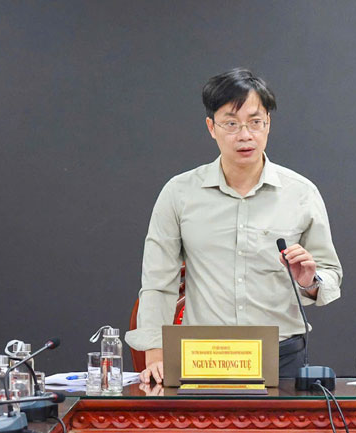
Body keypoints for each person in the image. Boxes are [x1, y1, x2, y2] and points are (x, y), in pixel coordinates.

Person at [125, 68, 342, 383]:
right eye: (231, 123)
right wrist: (156, 355)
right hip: (205, 356)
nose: (245, 135)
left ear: (268, 124)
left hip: (281, 356)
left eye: (255, 122)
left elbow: (330, 274)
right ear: (211, 127)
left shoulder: (301, 193)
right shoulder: (180, 193)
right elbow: (159, 282)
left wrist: (310, 281)